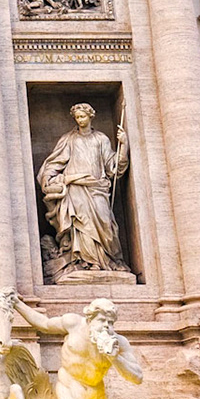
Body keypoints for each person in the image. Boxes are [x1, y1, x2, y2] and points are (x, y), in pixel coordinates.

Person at [11, 296, 143, 399]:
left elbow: (137, 377)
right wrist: (18, 304)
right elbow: (44, 324)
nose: (106, 326)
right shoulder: (73, 324)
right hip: (69, 388)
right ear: (89, 319)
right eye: (101, 320)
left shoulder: (119, 343)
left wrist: (115, 358)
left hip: (96, 396)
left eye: (110, 322)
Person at [37, 103, 128, 274]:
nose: (80, 120)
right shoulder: (68, 139)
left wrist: (124, 146)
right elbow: (54, 163)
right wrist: (49, 179)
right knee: (81, 226)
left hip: (97, 188)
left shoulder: (101, 139)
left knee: (106, 225)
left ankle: (106, 261)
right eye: (77, 117)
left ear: (90, 116)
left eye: (83, 116)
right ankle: (85, 262)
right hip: (76, 190)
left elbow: (113, 168)